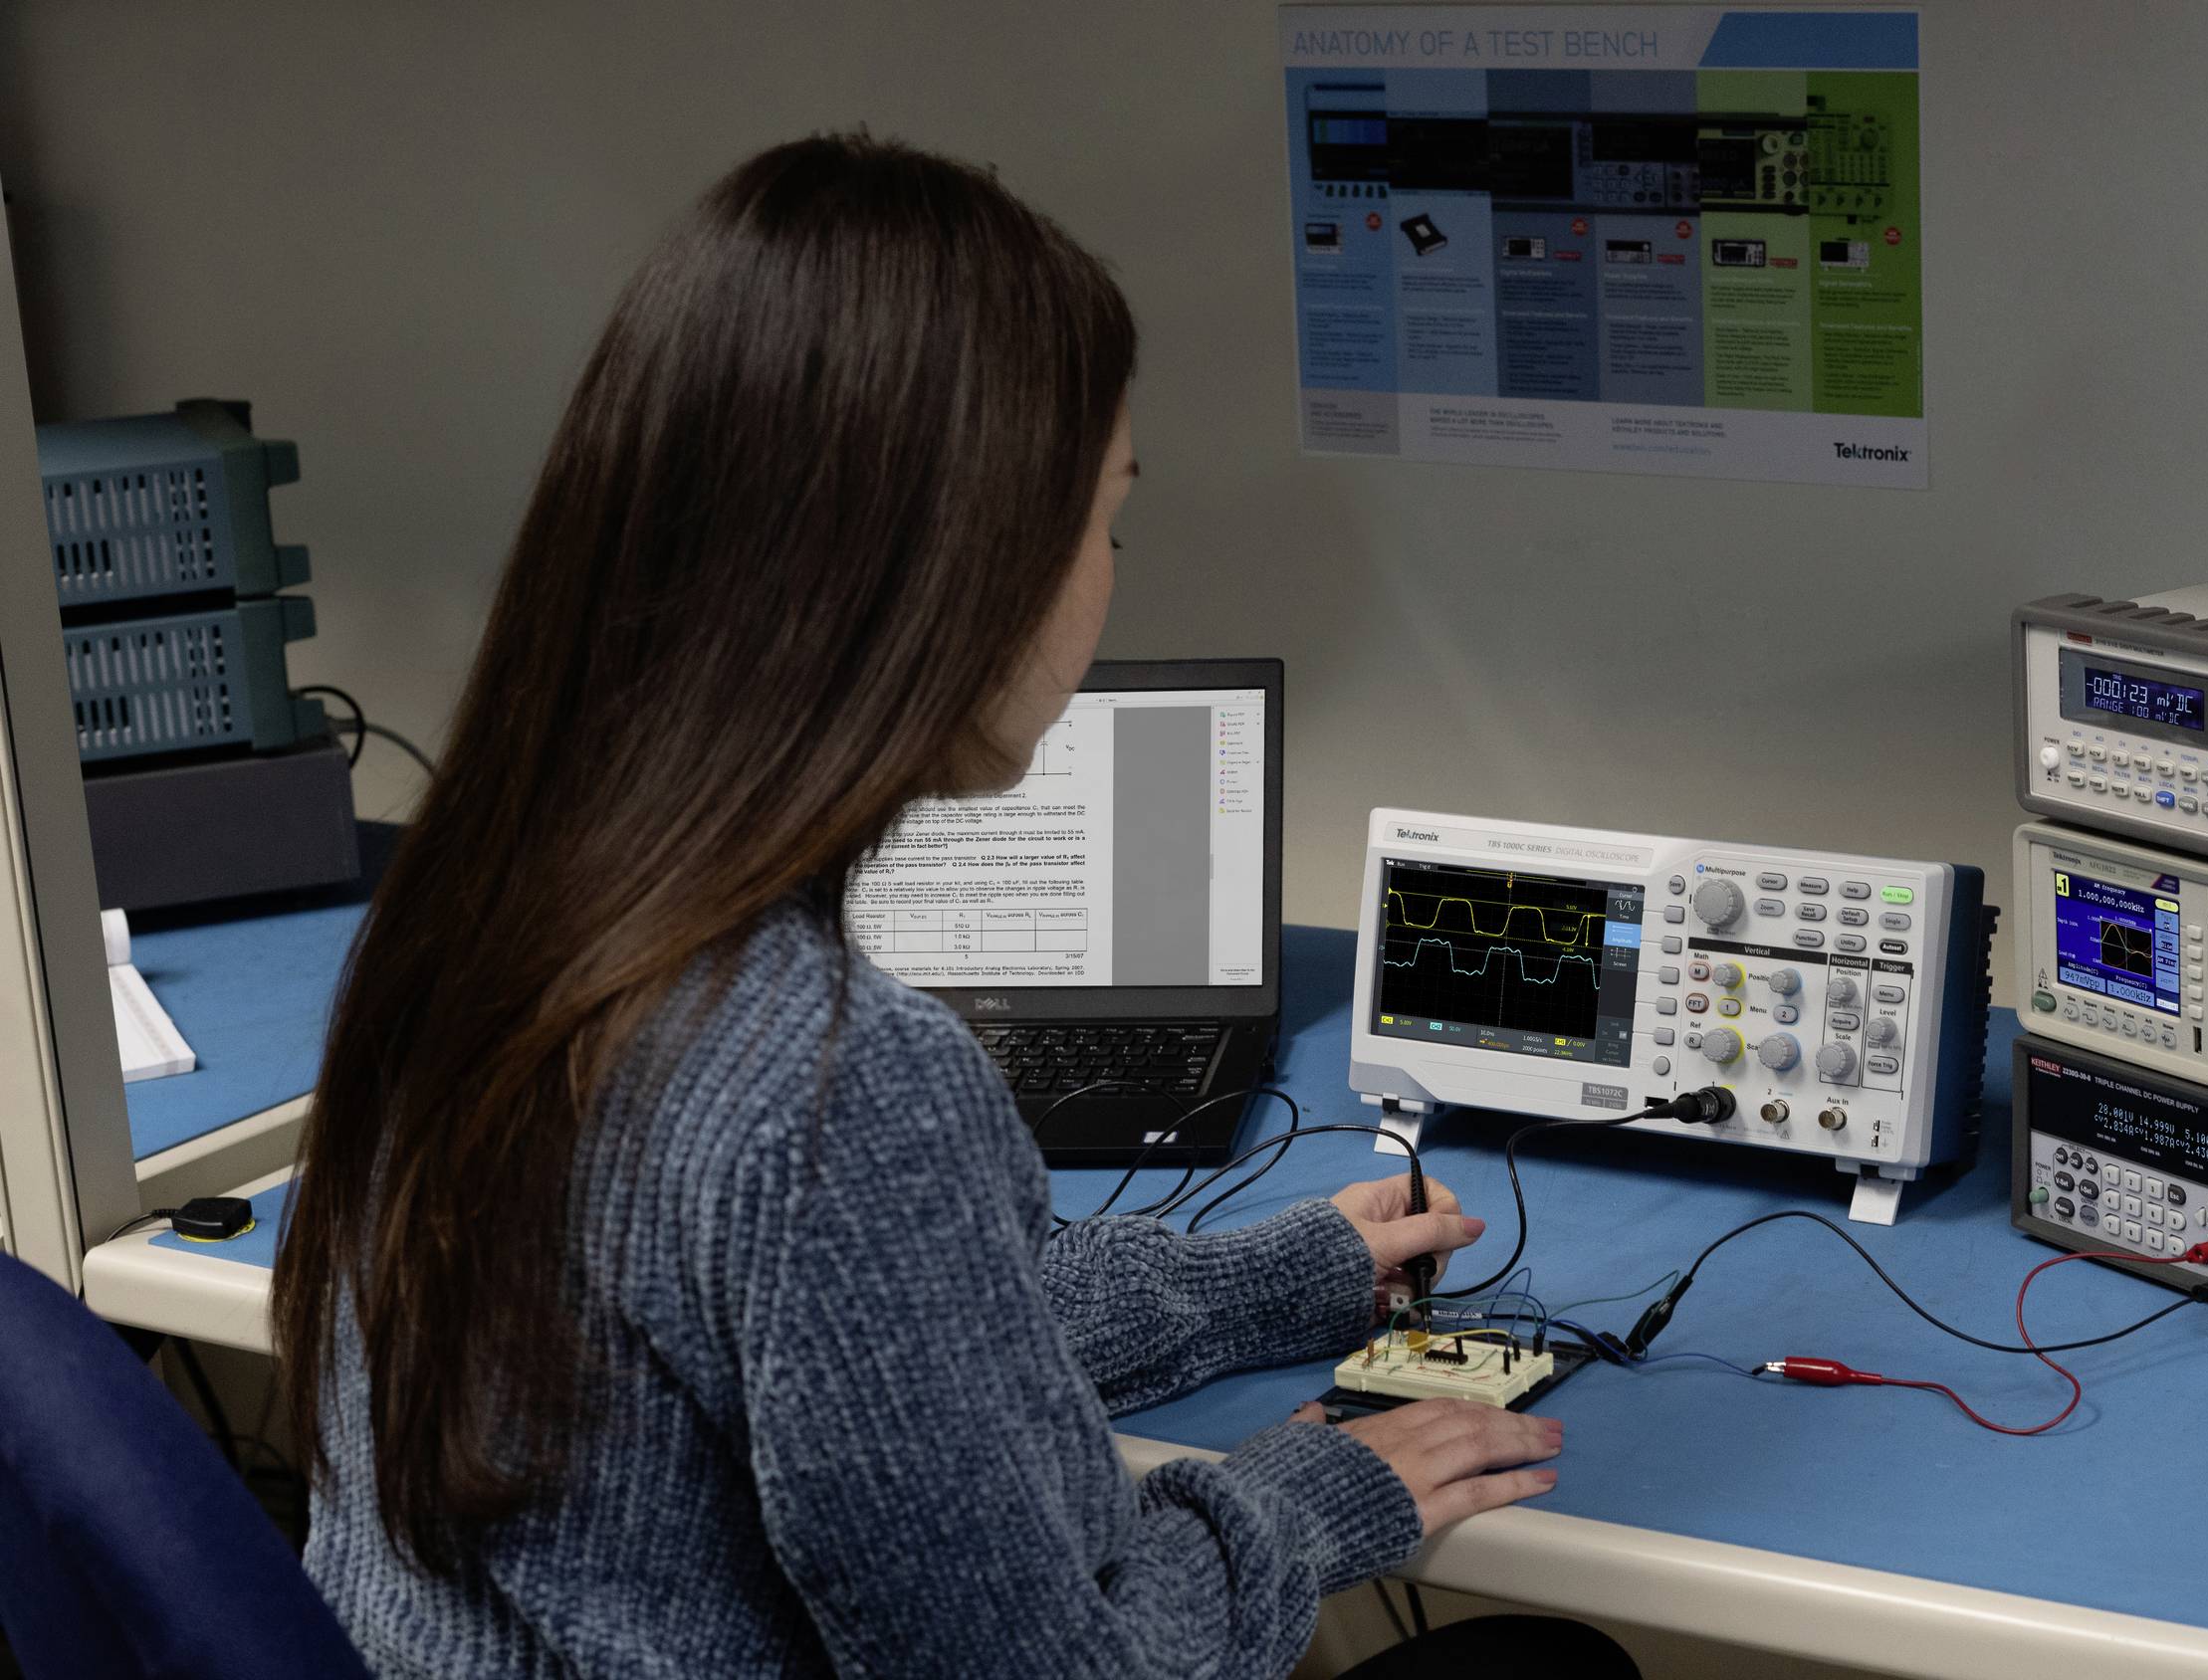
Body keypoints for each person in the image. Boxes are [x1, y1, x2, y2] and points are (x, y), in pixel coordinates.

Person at [272, 133, 1633, 1679]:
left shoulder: (478, 922)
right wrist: (1318, 1493)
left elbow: (885, 1344)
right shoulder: (833, 1087)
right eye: (1104, 523)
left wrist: (1268, 1277)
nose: (1106, 576)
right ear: (952, 560)